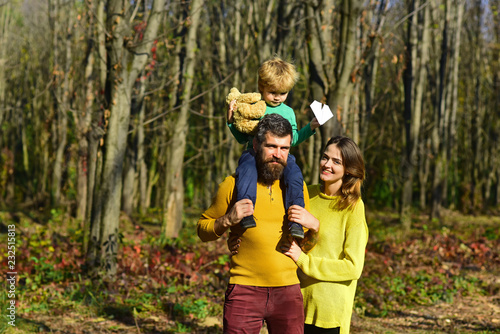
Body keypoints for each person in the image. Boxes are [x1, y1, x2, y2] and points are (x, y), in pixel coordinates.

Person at [230, 136, 368, 334]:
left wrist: (304, 258)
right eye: (325, 157)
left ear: (349, 170)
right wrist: (238, 238)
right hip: (294, 302)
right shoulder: (306, 193)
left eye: (336, 162)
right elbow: (278, 229)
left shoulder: (353, 207)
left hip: (327, 310)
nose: (327, 165)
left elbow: (353, 268)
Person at [198, 114, 320, 334]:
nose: (278, 154)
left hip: (288, 292)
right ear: (256, 144)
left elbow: (307, 245)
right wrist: (227, 220)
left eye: (284, 148)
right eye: (271, 146)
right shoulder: (233, 185)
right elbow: (202, 230)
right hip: (244, 291)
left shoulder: (296, 190)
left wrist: (314, 228)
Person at [227, 56, 320, 238]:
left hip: (281, 158)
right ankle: (246, 212)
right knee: (246, 169)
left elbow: (292, 141)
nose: (278, 97)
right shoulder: (254, 107)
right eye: (272, 92)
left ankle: (296, 221)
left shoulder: (288, 112)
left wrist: (311, 128)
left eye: (283, 93)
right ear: (262, 86)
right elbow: (242, 137)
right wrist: (231, 122)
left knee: (295, 175)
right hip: (254, 154)